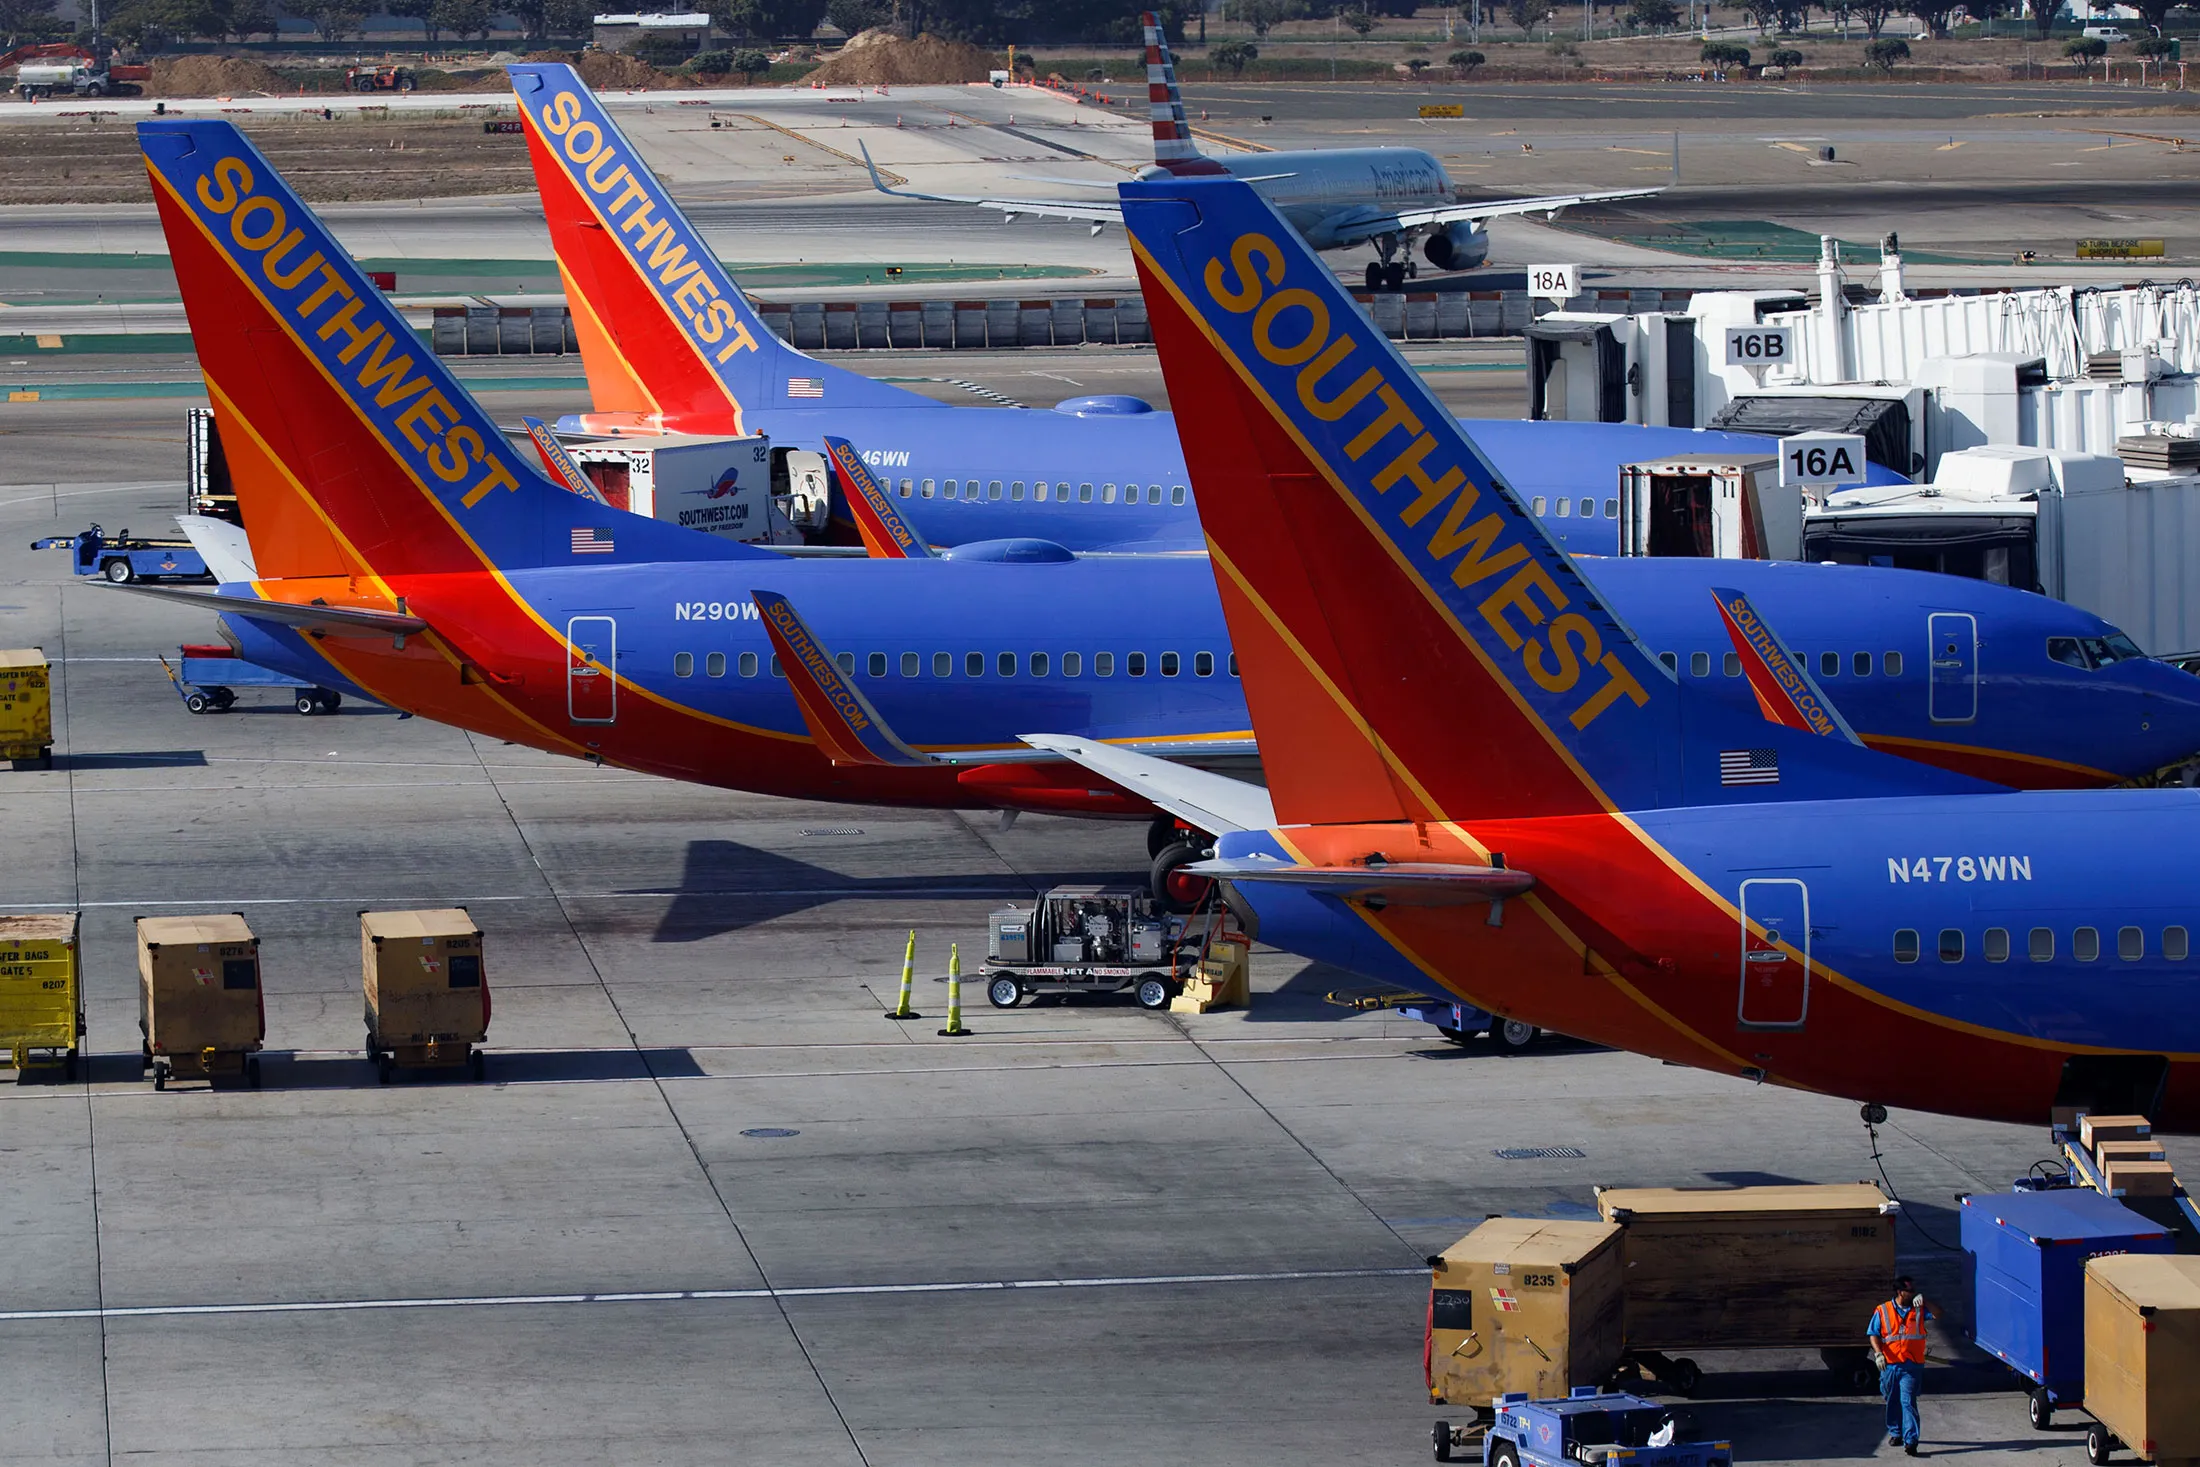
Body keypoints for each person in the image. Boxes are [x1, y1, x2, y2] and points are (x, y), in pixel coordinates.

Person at [1868, 1276, 1933, 1455]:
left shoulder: (1919, 1308)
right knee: (1892, 1400)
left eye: (1914, 1291)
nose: (1913, 1294)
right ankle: (1896, 1432)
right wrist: (1878, 1353)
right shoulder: (1883, 1310)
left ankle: (1911, 1441)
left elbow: (1939, 1313)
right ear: (1899, 1292)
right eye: (1909, 1291)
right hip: (1890, 1366)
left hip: (1911, 1366)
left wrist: (1925, 1300)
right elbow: (1873, 1333)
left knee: (1908, 1402)